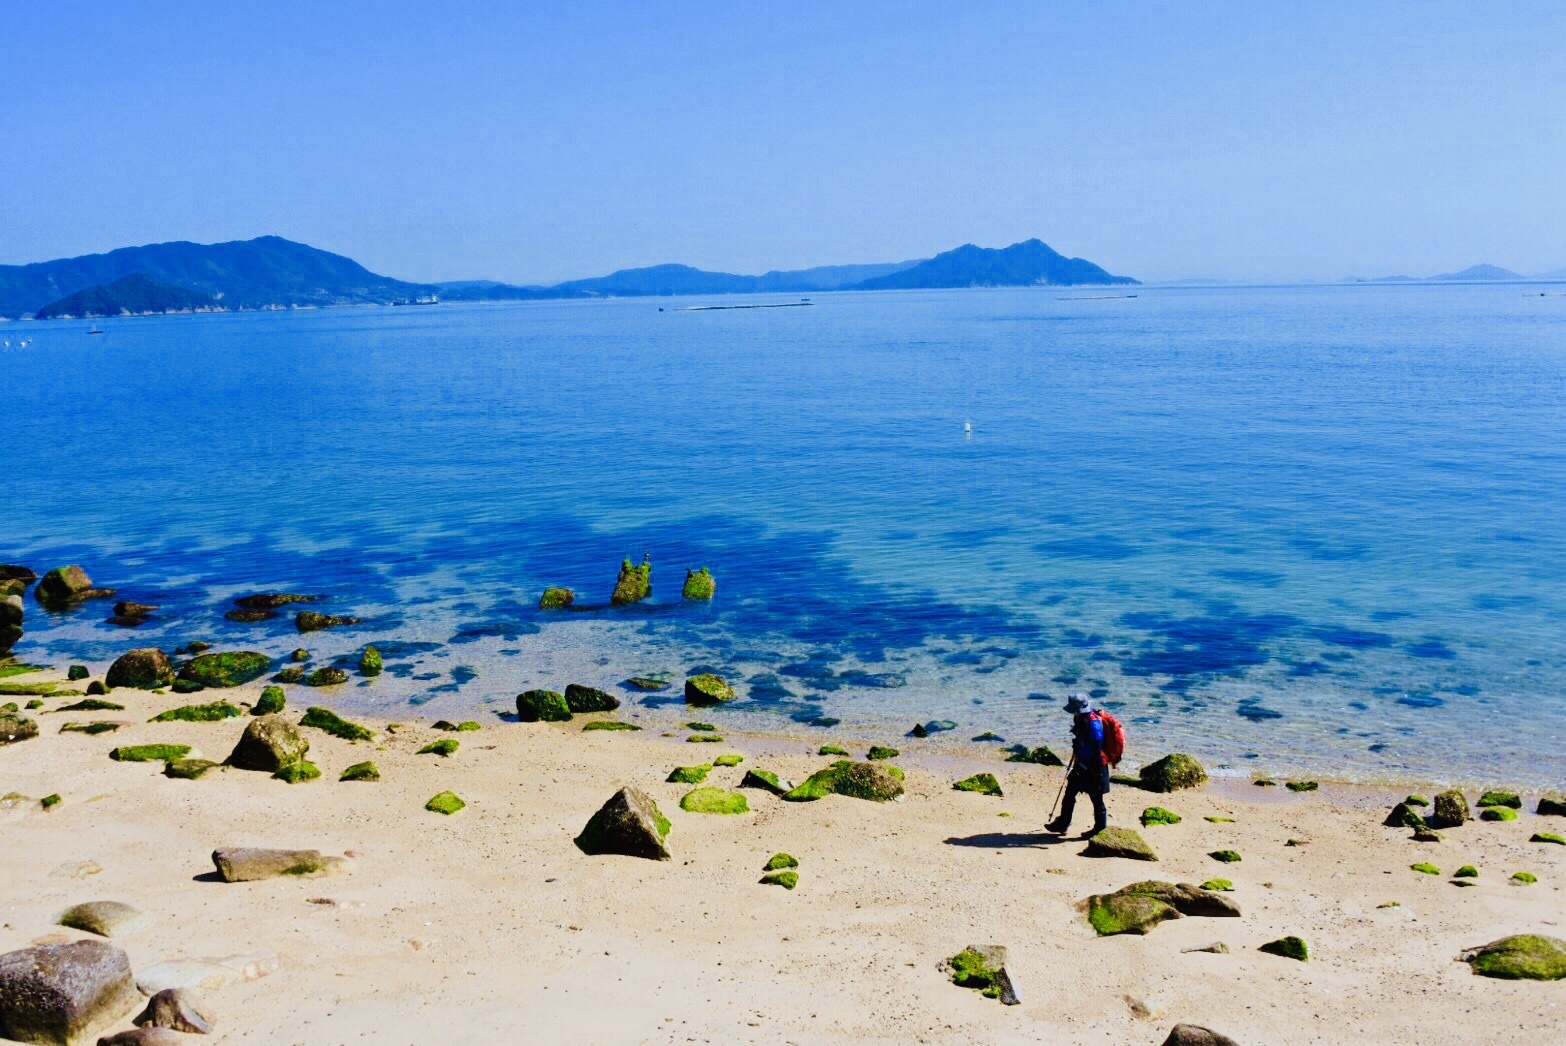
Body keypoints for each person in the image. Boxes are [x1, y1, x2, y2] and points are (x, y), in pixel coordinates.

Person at [1044, 694, 1109, 837]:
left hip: (1094, 766)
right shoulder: (1080, 718)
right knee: (1070, 792)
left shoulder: (1094, 723)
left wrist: (1092, 769)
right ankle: (1063, 823)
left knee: (1096, 797)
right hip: (1082, 763)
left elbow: (1097, 748)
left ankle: (1100, 828)